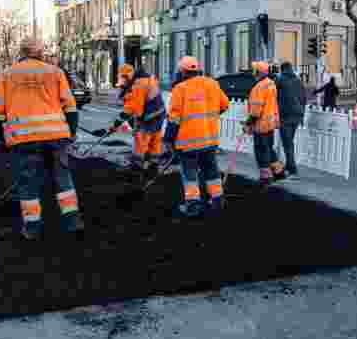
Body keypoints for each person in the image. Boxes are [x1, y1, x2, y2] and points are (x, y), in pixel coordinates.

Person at [0, 37, 83, 240]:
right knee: (62, 178)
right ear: (41, 53)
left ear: (21, 53)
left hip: (24, 139)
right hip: (56, 135)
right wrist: (72, 132)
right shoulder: (55, 72)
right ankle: (72, 220)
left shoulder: (7, 74)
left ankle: (32, 228)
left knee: (28, 182)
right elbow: (70, 106)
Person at [164, 56, 230, 219]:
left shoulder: (180, 88)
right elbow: (225, 104)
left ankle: (193, 205)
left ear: (183, 71)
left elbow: (174, 118)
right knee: (211, 170)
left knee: (190, 174)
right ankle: (217, 199)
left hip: (188, 143)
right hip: (209, 140)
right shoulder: (212, 84)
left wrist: (168, 138)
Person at [101, 63, 166, 179]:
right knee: (155, 143)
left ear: (127, 76)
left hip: (149, 118)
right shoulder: (146, 79)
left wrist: (115, 125)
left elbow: (133, 110)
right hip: (158, 115)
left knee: (140, 144)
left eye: (123, 79)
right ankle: (153, 169)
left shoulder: (138, 84)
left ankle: (136, 171)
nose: (123, 83)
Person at [245, 60, 286, 188]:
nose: (253, 73)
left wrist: (249, 122)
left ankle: (265, 177)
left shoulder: (259, 87)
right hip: (271, 123)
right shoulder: (271, 84)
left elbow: (256, 109)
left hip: (261, 124)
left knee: (261, 150)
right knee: (268, 147)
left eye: (254, 71)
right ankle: (279, 171)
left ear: (258, 72)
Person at [276, 61, 306, 180]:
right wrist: (302, 116)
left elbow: (274, 96)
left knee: (287, 143)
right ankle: (289, 166)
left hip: (285, 116)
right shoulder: (298, 81)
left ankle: (292, 169)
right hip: (297, 116)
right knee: (289, 142)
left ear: (282, 70)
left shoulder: (280, 80)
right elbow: (303, 98)